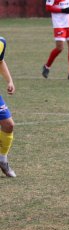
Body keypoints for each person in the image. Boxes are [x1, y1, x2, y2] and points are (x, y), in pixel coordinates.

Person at [42, 0, 69, 80]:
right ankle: (47, 66)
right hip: (59, 23)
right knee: (60, 48)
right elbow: (48, 7)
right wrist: (62, 10)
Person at [0, 37, 16, 177]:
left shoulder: (1, 42)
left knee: (8, 125)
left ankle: (2, 159)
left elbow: (0, 61)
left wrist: (9, 80)